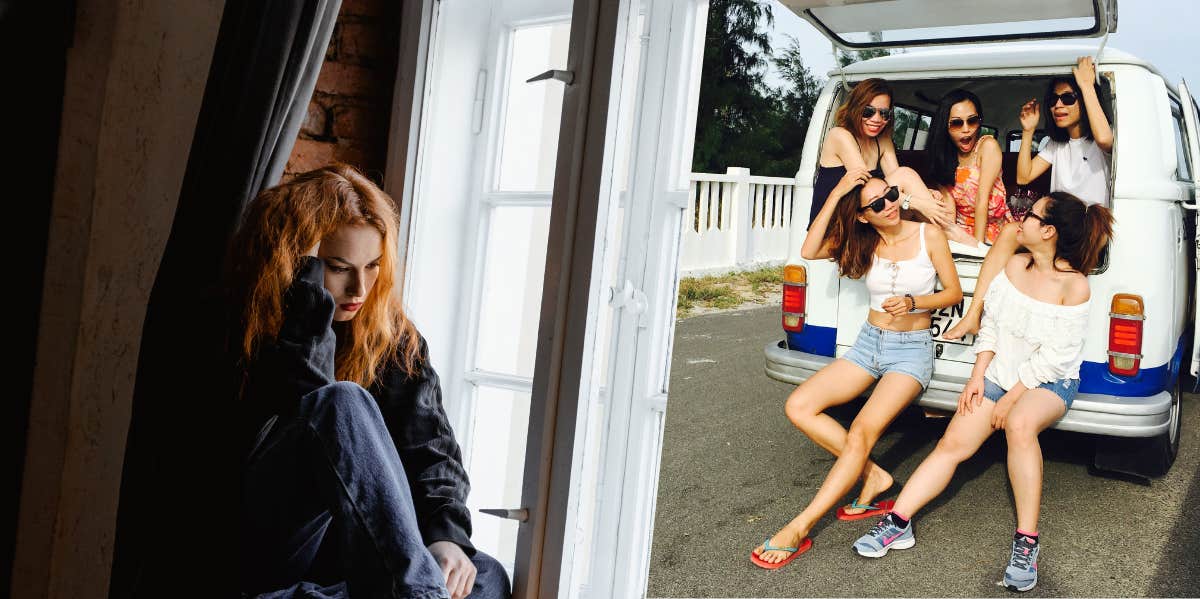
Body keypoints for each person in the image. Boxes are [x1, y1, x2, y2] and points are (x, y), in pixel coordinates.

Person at [227, 164, 511, 599]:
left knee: (482, 573)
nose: (359, 287)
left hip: (353, 566)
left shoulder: (390, 337)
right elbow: (310, 410)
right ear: (293, 263)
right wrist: (307, 302)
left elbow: (431, 450)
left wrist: (446, 536)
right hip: (270, 551)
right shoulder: (244, 330)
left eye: (374, 265)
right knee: (339, 402)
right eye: (339, 268)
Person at [851, 192, 1113, 593]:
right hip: (998, 373)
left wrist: (1010, 398)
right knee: (953, 442)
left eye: (1030, 214)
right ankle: (899, 522)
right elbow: (991, 325)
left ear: (1048, 231)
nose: (1019, 218)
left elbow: (1057, 358)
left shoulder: (1074, 286)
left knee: (1021, 426)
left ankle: (1027, 542)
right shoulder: (1013, 264)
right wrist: (978, 376)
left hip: (1048, 381)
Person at [751, 177, 963, 569]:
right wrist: (836, 193)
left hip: (909, 352)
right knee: (799, 405)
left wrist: (917, 302)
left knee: (862, 432)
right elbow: (809, 249)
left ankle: (800, 527)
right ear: (863, 217)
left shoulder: (928, 235)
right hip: (868, 344)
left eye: (892, 194)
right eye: (877, 203)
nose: (889, 204)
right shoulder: (863, 240)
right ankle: (875, 477)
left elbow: (953, 293)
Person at [945, 56, 1113, 341]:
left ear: (1084, 101)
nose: (1058, 105)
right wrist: (1027, 132)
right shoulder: (1056, 144)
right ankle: (974, 315)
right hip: (1056, 228)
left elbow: (1105, 138)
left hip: (1083, 230)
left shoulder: (1102, 141)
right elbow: (1024, 176)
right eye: (1055, 100)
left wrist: (1086, 86)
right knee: (1012, 230)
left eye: (1067, 98)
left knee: (1018, 239)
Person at [808, 77, 955, 233]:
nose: (877, 119)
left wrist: (922, 194)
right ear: (855, 108)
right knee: (907, 177)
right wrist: (918, 202)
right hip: (836, 226)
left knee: (930, 197)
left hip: (868, 218)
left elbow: (897, 188)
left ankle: (967, 244)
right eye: (868, 112)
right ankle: (966, 244)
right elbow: (868, 190)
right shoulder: (840, 135)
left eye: (884, 113)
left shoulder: (882, 141)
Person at [925, 88, 1013, 245]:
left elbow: (982, 199)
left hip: (991, 234)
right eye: (957, 123)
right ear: (944, 126)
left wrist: (977, 247)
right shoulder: (944, 158)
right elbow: (950, 207)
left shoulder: (987, 147)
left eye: (972, 121)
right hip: (957, 232)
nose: (966, 129)